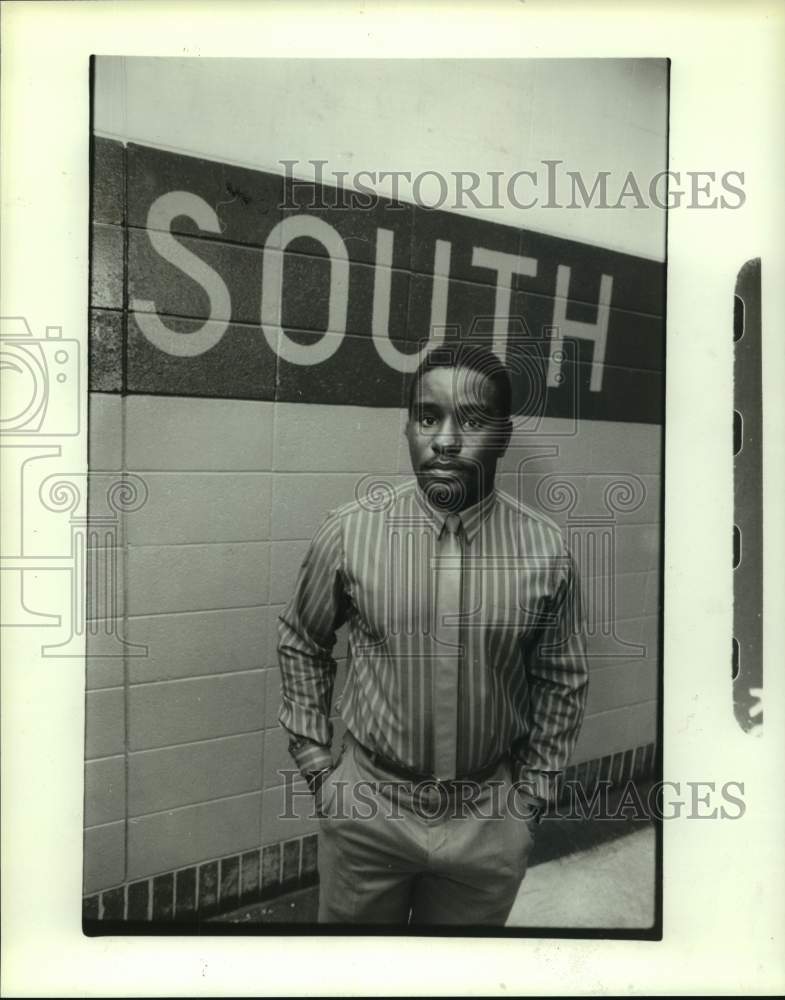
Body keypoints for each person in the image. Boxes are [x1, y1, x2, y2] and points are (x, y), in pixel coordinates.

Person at [278, 342, 589, 925]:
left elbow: (560, 677)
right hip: (368, 811)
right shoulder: (351, 534)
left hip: (488, 819)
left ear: (502, 434)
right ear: (408, 428)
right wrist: (319, 766)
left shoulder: (546, 550)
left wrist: (532, 796)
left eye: (471, 420)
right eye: (428, 417)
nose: (445, 439)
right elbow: (302, 639)